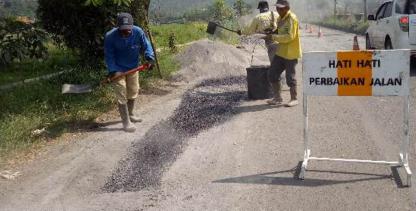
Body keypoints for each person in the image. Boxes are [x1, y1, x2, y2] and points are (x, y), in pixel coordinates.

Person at [104, 12, 155, 132]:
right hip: (118, 69)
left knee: (133, 90)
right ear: (118, 27)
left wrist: (149, 58)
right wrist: (113, 70)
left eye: (128, 29)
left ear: (132, 26)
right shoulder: (110, 37)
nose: (126, 32)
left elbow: (146, 46)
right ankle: (126, 122)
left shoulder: (138, 32)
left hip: (133, 67)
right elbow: (109, 56)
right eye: (123, 29)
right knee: (121, 94)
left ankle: (131, 114)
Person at [266, 0, 301, 107]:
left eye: (280, 8)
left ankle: (294, 99)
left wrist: (273, 37)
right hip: (281, 52)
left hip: (291, 53)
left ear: (287, 8)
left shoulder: (292, 19)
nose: (278, 10)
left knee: (290, 77)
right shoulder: (280, 18)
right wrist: (271, 32)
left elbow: (290, 37)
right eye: (277, 8)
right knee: (272, 74)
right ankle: (277, 98)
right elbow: (279, 31)